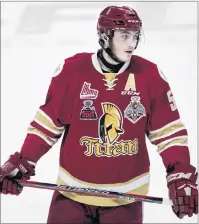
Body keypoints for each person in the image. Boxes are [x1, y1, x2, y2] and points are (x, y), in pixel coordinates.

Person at [0, 5, 198, 224]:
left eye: (135, 36)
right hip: (71, 194)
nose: (132, 44)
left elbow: (170, 135)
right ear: (105, 36)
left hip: (125, 199)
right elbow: (46, 127)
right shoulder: (71, 72)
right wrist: (24, 161)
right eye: (124, 36)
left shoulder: (150, 76)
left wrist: (180, 175)